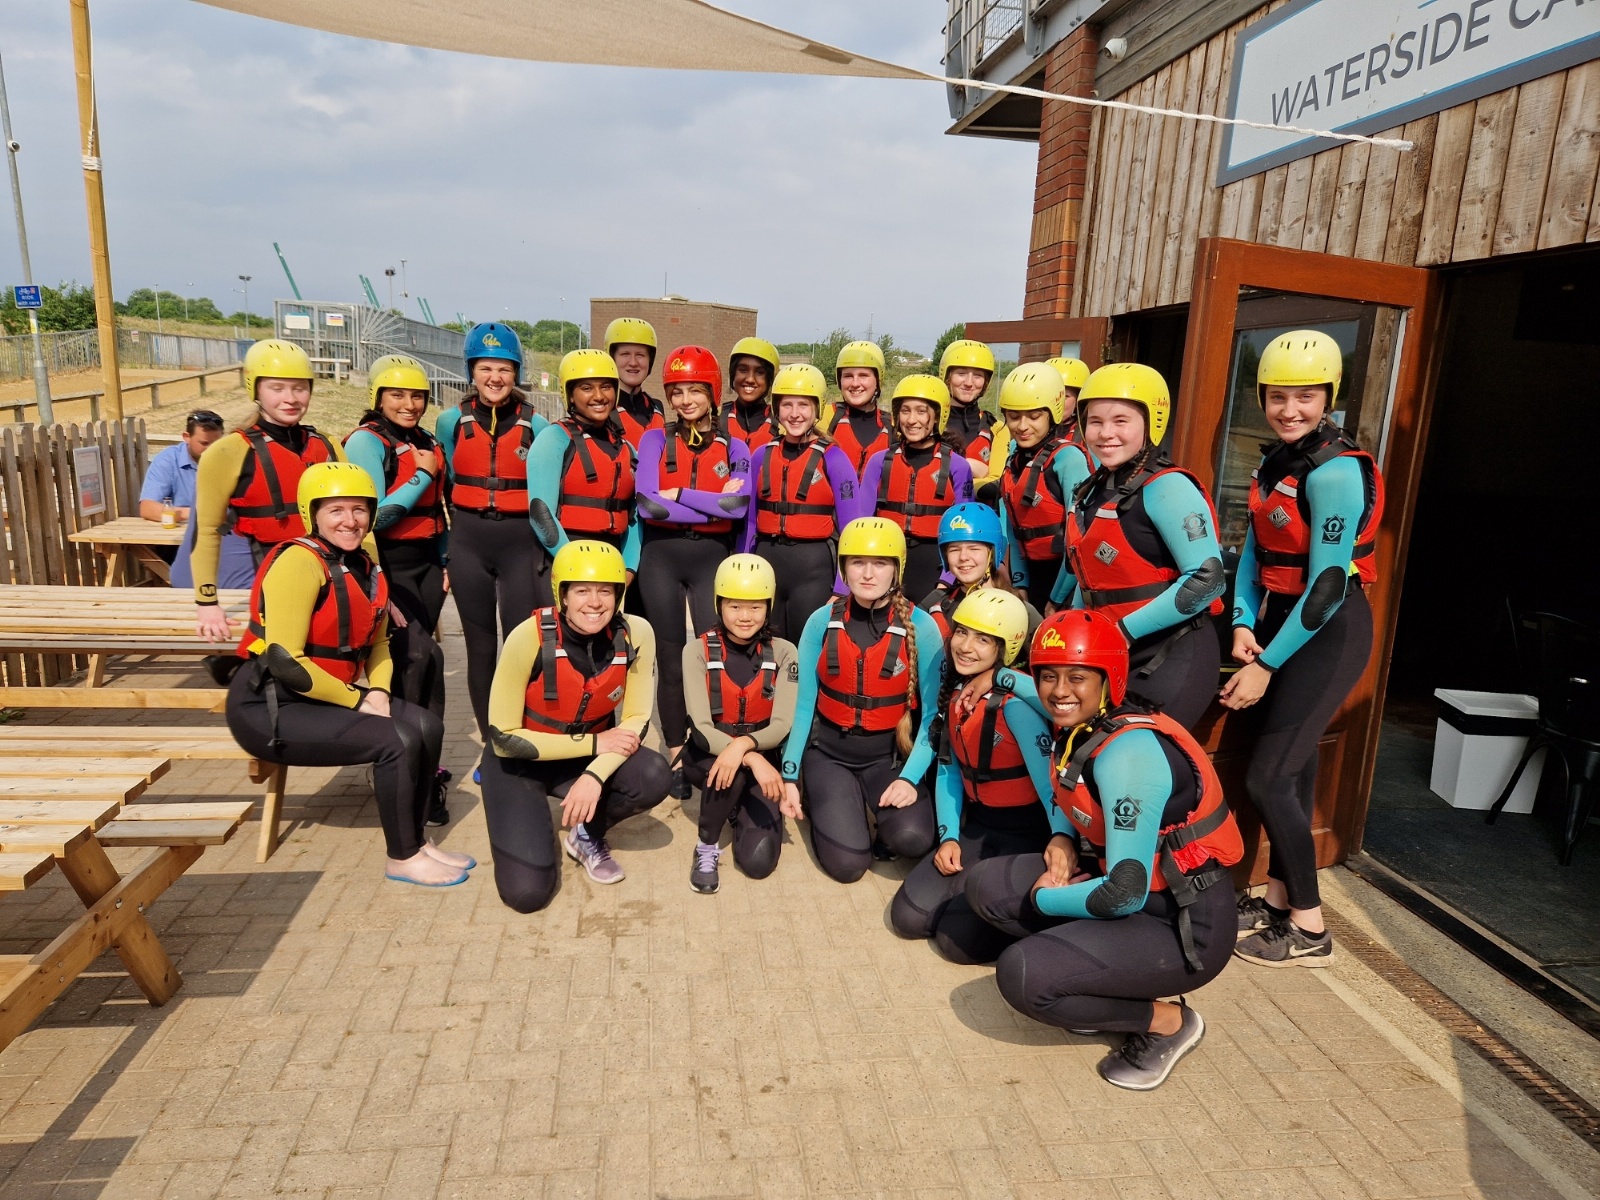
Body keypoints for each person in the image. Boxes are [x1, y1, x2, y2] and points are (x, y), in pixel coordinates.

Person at [965, 609, 1243, 1090]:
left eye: (1077, 677)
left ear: (1108, 680)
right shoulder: (1083, 715)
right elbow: (1023, 683)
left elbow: (1123, 893)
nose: (1059, 691)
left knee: (1022, 975)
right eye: (1048, 675)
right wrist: (995, 675)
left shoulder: (1128, 754)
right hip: (1123, 888)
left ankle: (1169, 1023)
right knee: (984, 885)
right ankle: (1090, 980)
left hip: (1179, 925)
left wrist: (1044, 898)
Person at [225, 462, 468, 888]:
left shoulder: (365, 566)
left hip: (320, 697)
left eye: (359, 509)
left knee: (427, 726)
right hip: (270, 705)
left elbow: (379, 644)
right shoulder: (298, 562)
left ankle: (417, 841)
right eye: (336, 510)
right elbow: (285, 661)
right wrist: (358, 700)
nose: (350, 521)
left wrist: (379, 691)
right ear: (313, 513)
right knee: (396, 740)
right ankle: (402, 857)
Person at [1225, 331, 1383, 968]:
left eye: (1306, 397)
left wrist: (1266, 664)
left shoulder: (1337, 472)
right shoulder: (1276, 462)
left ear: (1329, 398)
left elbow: (1327, 586)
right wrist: (1243, 622)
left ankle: (1311, 929)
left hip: (1329, 631)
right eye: (1278, 397)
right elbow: (1252, 554)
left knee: (1268, 777)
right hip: (1283, 622)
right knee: (1290, 772)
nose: (1290, 410)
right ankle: (1278, 900)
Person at [479, 540, 670, 909]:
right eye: (582, 590)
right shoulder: (528, 636)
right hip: (519, 765)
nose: (595, 602)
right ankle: (529, 819)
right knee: (527, 895)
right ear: (562, 594)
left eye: (605, 591)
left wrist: (594, 775)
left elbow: (636, 720)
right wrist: (595, 746)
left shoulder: (637, 634)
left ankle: (585, 835)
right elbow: (503, 738)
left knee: (654, 774)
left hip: (584, 760)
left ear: (619, 595)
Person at [890, 590, 1060, 964]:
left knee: (956, 943)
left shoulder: (1017, 708)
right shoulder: (958, 696)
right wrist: (949, 837)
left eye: (983, 639)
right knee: (908, 919)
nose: (966, 646)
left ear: (1005, 648)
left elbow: (1051, 789)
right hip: (979, 828)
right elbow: (949, 771)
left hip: (1026, 838)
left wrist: (1061, 844)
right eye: (962, 633)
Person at [780, 518, 943, 882]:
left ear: (897, 569)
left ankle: (870, 812)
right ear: (843, 568)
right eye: (857, 562)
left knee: (913, 839)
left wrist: (910, 778)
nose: (868, 574)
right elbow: (803, 706)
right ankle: (828, 799)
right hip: (829, 756)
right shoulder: (821, 621)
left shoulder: (922, 627)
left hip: (887, 759)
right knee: (849, 866)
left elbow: (934, 716)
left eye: (880, 563)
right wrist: (790, 774)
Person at [1066, 363, 1225, 728]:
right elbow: (1090, 579)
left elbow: (1208, 579)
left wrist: (1122, 632)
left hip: (1172, 652)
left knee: (1136, 754)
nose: (1106, 433)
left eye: (1121, 421)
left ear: (1152, 423)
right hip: (1110, 650)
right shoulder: (1091, 489)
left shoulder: (1169, 487)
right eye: (1095, 421)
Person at [634, 345, 752, 793]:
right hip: (661, 559)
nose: (685, 401)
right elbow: (648, 506)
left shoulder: (736, 446)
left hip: (711, 561)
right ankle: (674, 753)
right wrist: (711, 504)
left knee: (712, 657)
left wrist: (680, 494)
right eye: (677, 392)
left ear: (712, 393)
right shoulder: (654, 440)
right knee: (669, 660)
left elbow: (737, 507)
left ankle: (712, 748)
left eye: (695, 391)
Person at [434, 322, 549, 740]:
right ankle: (490, 740)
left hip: (520, 545)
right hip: (469, 543)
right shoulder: (450, 422)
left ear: (516, 372)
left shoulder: (537, 425)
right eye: (485, 368)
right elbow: (444, 485)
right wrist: (446, 553)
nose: (495, 377)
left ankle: (521, 731)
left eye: (504, 368)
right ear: (471, 371)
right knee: (480, 648)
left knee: (521, 646)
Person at [192, 340, 350, 643]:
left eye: (300, 388)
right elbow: (207, 530)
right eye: (277, 388)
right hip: (272, 584)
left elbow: (359, 521)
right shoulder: (227, 452)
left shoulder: (328, 445)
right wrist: (207, 603)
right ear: (256, 390)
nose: (290, 398)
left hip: (332, 577)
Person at [344, 357, 449, 776]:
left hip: (427, 566)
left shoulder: (426, 440)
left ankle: (424, 760)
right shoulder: (365, 443)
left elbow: (438, 511)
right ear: (378, 397)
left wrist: (446, 560)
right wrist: (421, 475)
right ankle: (398, 756)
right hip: (389, 565)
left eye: (417, 396)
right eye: (397, 395)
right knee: (418, 658)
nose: (409, 404)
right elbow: (376, 517)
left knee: (420, 663)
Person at [680, 554, 799, 893]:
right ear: (718, 605)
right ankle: (706, 844)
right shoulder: (696, 651)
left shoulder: (785, 652)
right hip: (708, 756)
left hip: (762, 758)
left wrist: (747, 747)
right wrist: (747, 757)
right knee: (731, 773)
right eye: (734, 606)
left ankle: (737, 808)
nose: (745, 617)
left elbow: (782, 723)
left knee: (759, 863)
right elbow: (701, 727)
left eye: (755, 607)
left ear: (769, 606)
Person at [739, 363, 862, 641]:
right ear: (776, 409)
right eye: (787, 405)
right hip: (767, 566)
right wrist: (744, 566)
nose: (795, 414)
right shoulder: (761, 455)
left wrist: (842, 587)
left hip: (813, 570)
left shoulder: (834, 458)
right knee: (766, 647)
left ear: (817, 409)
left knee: (805, 648)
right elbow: (750, 523)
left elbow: (851, 529)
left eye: (803, 405)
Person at [527, 349, 641, 609]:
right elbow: (540, 513)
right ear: (570, 394)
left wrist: (628, 569)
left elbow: (634, 517)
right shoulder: (553, 439)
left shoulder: (627, 449)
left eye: (606, 387)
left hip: (611, 562)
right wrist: (574, 565)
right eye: (587, 388)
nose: (599, 396)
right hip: (562, 558)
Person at [859, 374, 974, 603]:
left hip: (936, 571)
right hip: (887, 566)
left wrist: (946, 581)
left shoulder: (958, 467)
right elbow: (861, 524)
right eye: (905, 411)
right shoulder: (879, 462)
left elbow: (964, 535)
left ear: (937, 416)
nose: (912, 420)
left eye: (921, 411)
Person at [996, 362, 1095, 614]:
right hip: (1032, 579)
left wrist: (1056, 599)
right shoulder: (1014, 460)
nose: (1022, 426)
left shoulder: (1068, 459)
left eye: (1034, 416)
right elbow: (1015, 529)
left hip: (1067, 584)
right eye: (1014, 417)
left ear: (1052, 414)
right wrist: (1020, 583)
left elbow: (1079, 540)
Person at [921, 502, 1040, 647]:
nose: (963, 557)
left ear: (992, 553)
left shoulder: (1020, 609)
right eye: (954, 549)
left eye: (974, 549)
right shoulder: (935, 601)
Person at [140, 408, 226, 547]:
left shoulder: (230, 459)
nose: (211, 449)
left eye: (216, 444)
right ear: (186, 437)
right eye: (204, 443)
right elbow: (148, 508)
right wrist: (197, 514)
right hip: (177, 541)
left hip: (223, 536)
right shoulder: (168, 460)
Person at [821, 340, 891, 477]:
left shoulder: (893, 427)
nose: (855, 383)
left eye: (863, 375)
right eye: (848, 376)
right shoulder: (825, 417)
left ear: (878, 380)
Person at [938, 338, 1001, 484]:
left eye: (977, 376)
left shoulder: (996, 429)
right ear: (947, 377)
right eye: (961, 373)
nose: (968, 383)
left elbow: (996, 482)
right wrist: (967, 466)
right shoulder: (927, 422)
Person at [605, 317, 665, 449]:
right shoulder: (602, 410)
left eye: (640, 355)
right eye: (625, 354)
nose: (633, 362)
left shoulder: (657, 408)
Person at [720, 336, 780, 451]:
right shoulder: (715, 419)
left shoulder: (783, 425)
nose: (750, 379)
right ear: (733, 374)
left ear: (770, 379)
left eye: (760, 372)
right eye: (743, 370)